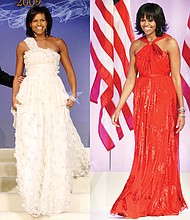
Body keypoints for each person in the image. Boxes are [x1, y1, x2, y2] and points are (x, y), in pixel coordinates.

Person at [110, 3, 187, 219]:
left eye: (150, 19)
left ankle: (161, 195)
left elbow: (176, 78)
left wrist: (181, 111)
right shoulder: (135, 45)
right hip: (142, 100)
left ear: (158, 20)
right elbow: (130, 79)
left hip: (164, 98)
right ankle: (144, 192)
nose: (147, 24)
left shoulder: (170, 43)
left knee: (162, 146)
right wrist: (119, 106)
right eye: (143, 20)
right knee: (145, 148)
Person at [12, 5, 89, 217]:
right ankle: (32, 196)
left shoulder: (58, 43)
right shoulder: (23, 46)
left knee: (54, 140)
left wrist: (72, 95)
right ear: (29, 23)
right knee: (33, 142)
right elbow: (18, 75)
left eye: (42, 20)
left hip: (53, 94)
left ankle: (53, 193)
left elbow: (70, 71)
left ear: (48, 22)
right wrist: (14, 101)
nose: (39, 24)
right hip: (31, 96)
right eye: (35, 21)